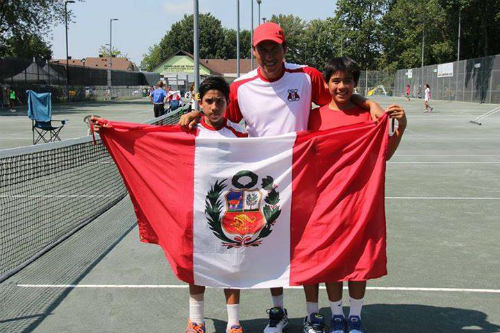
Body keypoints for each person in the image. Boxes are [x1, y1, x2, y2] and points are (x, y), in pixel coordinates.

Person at [180, 22, 385, 333]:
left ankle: (313, 315)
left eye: (274, 48)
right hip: (265, 183)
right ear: (254, 52)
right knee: (268, 247)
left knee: (310, 246)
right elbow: (222, 118)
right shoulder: (240, 87)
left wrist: (368, 102)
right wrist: (197, 113)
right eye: (263, 49)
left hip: (305, 177)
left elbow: (337, 95)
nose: (269, 54)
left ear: (285, 49)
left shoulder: (307, 76)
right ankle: (278, 311)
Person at [91, 76, 247, 333]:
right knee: (195, 265)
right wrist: (110, 128)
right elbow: (146, 137)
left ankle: (233, 323)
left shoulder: (242, 135)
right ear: (200, 102)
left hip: (229, 214)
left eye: (220, 101)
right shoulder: (187, 131)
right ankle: (196, 320)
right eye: (209, 101)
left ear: (227, 103)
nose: (214, 106)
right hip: (194, 213)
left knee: (232, 266)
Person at [308, 57, 406, 333]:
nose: (341, 86)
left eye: (347, 80)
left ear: (355, 84)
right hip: (325, 202)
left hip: (360, 201)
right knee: (332, 261)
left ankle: (355, 315)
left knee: (360, 261)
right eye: (336, 81)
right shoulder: (312, 117)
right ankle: (336, 314)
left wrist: (401, 128)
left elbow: (383, 154)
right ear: (326, 84)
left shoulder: (369, 117)